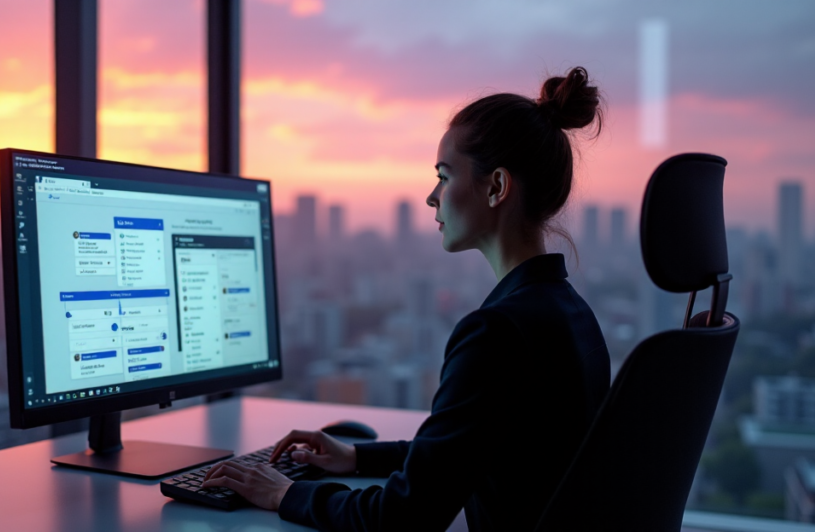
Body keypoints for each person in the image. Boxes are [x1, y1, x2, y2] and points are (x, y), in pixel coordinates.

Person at [202, 66, 611, 531]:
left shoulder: (498, 333)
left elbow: (401, 518)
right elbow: (467, 447)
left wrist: (283, 492)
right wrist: (355, 457)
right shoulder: (570, 313)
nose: (431, 197)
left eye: (444, 175)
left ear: (496, 187)